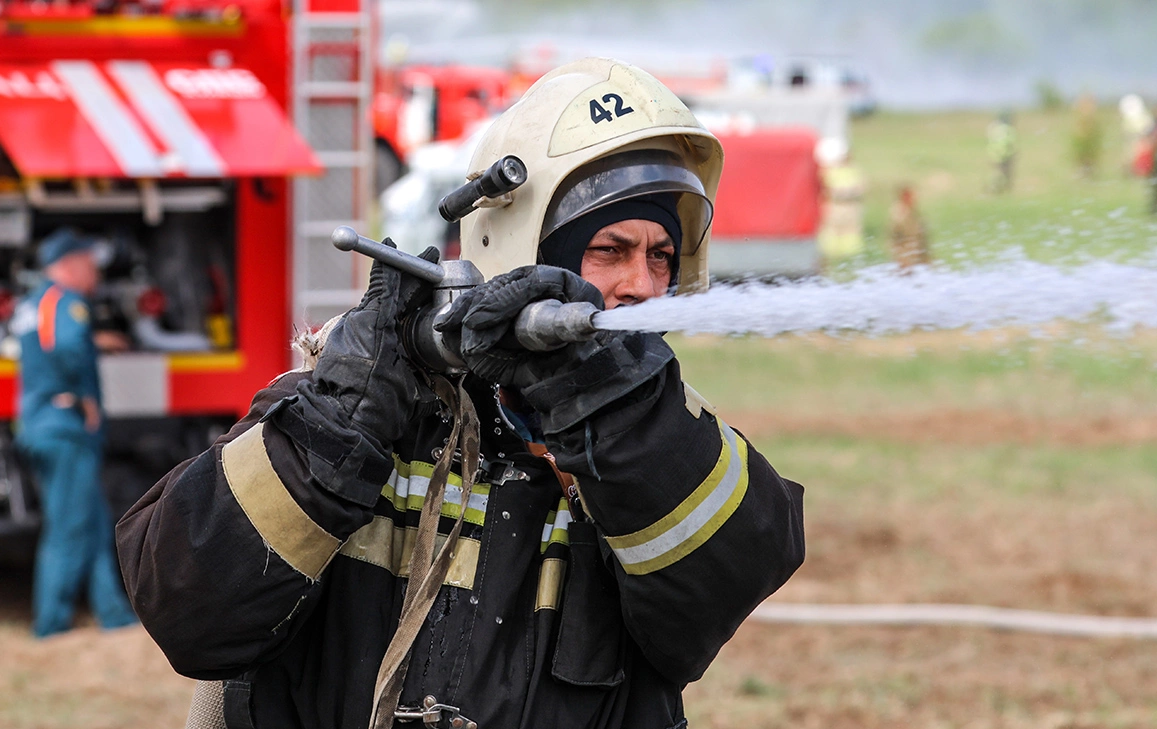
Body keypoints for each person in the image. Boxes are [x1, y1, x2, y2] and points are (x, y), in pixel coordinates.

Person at [117, 58, 806, 729]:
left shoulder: (656, 441)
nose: (644, 284)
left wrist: (617, 421)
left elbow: (722, 588)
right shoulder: (350, 404)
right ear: (526, 247)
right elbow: (187, 608)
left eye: (661, 255)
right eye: (612, 249)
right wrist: (340, 422)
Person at [11, 227, 137, 638]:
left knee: (94, 522)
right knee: (67, 528)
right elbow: (66, 346)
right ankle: (50, 624)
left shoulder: (35, 303)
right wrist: (84, 397)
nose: (94, 273)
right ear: (67, 265)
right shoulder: (66, 303)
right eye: (88, 264)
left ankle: (113, 614)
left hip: (43, 425)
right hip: (64, 428)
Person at [815, 137, 867, 268]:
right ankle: (831, 256)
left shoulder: (853, 169)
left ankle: (850, 256)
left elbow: (861, 186)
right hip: (834, 207)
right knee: (831, 232)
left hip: (849, 207)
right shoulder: (827, 171)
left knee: (850, 232)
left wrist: (851, 192)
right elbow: (825, 188)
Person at [889, 184, 930, 271]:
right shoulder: (899, 213)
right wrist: (902, 258)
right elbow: (896, 239)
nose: (915, 199)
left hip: (916, 255)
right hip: (906, 258)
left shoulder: (913, 212)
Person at [987, 110, 1016, 193]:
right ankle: (1001, 188)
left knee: (997, 173)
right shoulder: (1008, 129)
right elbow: (1011, 143)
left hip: (996, 156)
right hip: (1006, 156)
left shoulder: (994, 128)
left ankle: (996, 188)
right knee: (1005, 175)